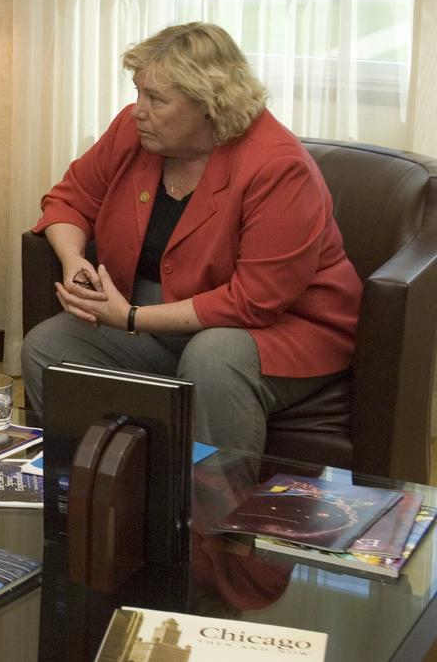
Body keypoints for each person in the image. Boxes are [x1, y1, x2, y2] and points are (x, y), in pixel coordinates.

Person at [21, 22, 362, 455]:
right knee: (48, 347)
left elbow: (254, 301)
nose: (138, 110)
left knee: (214, 358)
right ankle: (94, 485)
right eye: (138, 92)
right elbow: (70, 200)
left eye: (156, 98)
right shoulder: (132, 132)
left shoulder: (278, 168)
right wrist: (74, 261)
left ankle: (212, 499)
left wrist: (131, 318)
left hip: (280, 331)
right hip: (154, 319)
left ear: (209, 104)